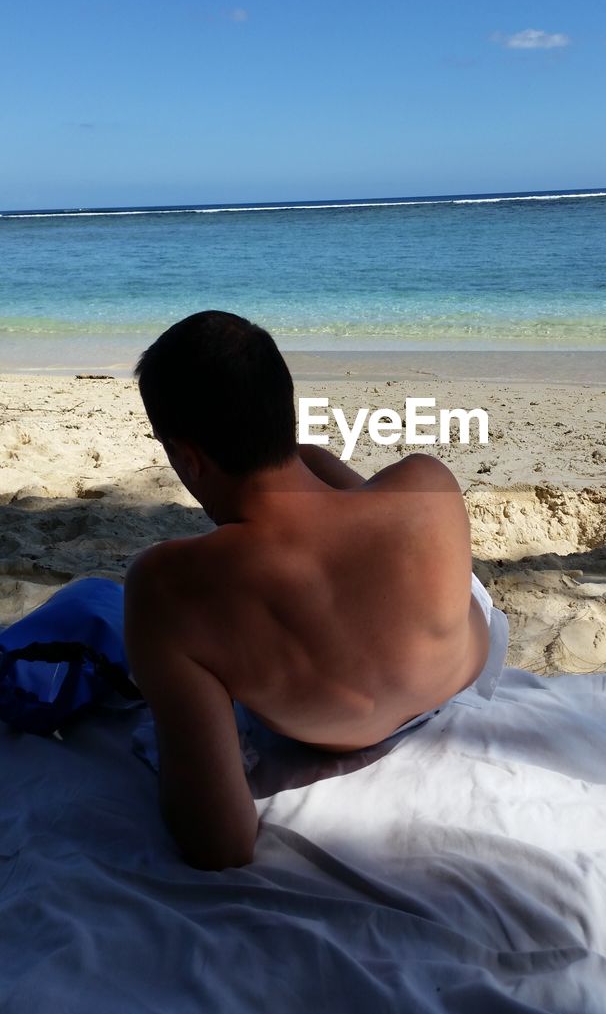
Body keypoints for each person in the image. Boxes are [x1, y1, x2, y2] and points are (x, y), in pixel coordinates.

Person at [125, 311, 507, 871]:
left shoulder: (167, 590)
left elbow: (221, 844)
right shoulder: (428, 482)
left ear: (187, 457)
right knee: (322, 476)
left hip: (337, 730)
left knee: (313, 476)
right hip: (458, 671)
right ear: (286, 410)